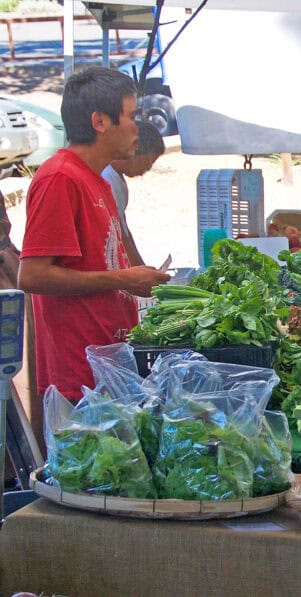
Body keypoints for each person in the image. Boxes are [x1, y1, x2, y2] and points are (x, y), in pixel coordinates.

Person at [18, 66, 170, 401]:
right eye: (130, 116)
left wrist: (134, 279)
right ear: (100, 122)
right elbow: (32, 275)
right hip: (79, 377)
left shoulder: (98, 180)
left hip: (109, 363)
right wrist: (122, 279)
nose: (137, 127)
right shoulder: (59, 178)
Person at [102, 121, 166, 268]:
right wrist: (136, 272)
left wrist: (141, 267)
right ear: (136, 152)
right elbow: (120, 236)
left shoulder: (118, 179)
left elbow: (125, 230)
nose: (148, 168)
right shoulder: (107, 179)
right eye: (149, 162)